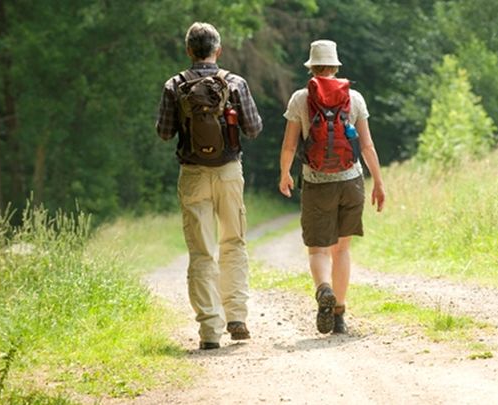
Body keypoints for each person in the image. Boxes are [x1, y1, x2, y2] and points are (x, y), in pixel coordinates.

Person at [156, 22, 263, 350]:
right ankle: (237, 317)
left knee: (201, 252)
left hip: (193, 175)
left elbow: (164, 132)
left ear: (189, 50)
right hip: (229, 171)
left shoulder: (174, 85)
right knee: (233, 243)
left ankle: (209, 332)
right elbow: (254, 129)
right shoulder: (235, 82)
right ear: (218, 49)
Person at [279, 40, 386, 334]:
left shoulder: (300, 99)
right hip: (350, 181)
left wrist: (284, 173)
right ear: (336, 66)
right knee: (342, 250)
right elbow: (367, 145)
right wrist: (378, 181)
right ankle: (338, 313)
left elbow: (290, 144)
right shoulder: (355, 98)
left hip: (316, 183)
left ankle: (323, 289)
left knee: (317, 250)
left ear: (311, 67)